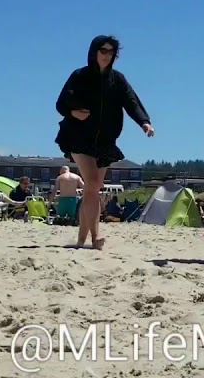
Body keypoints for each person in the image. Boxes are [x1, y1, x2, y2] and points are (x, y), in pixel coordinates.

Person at [55, 35, 154, 250]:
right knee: (91, 183)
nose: (107, 56)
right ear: (94, 52)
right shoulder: (80, 76)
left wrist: (144, 122)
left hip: (106, 140)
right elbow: (61, 103)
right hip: (79, 136)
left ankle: (82, 239)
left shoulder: (117, 79)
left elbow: (131, 102)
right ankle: (94, 237)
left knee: (94, 188)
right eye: (104, 51)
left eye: (111, 52)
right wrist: (73, 112)